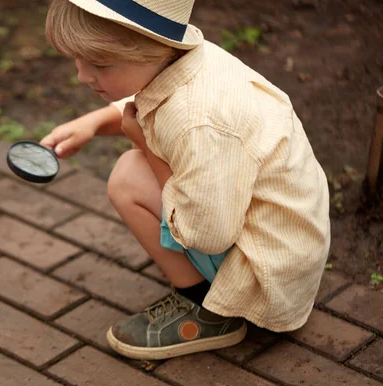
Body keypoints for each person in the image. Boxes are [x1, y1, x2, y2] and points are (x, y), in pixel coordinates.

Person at [41, 0, 331, 360]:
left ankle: (208, 312)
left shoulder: (198, 122)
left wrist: (146, 146)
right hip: (287, 243)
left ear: (153, 49)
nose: (82, 75)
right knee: (137, 167)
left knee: (127, 179)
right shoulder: (190, 58)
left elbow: (206, 234)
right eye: (78, 59)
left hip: (266, 277)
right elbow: (145, 100)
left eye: (99, 64)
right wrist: (94, 123)